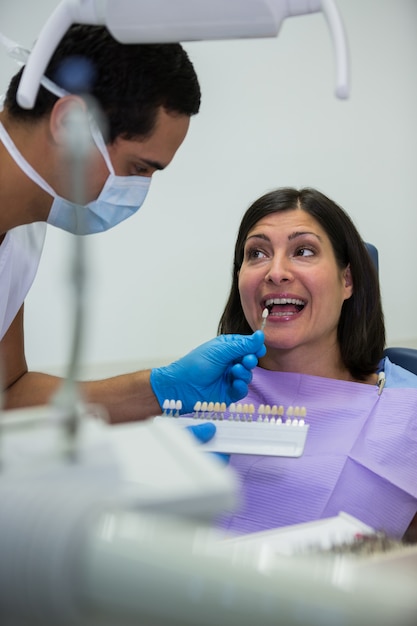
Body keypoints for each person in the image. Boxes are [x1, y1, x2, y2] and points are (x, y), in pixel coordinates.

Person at [0, 24, 265, 425]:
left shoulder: (22, 232)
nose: (138, 190)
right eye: (138, 168)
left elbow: (8, 392)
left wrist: (161, 389)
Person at [215, 187, 417, 542]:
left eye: (303, 251)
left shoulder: (406, 407)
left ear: (347, 280)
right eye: (257, 253)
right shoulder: (202, 392)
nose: (276, 272)